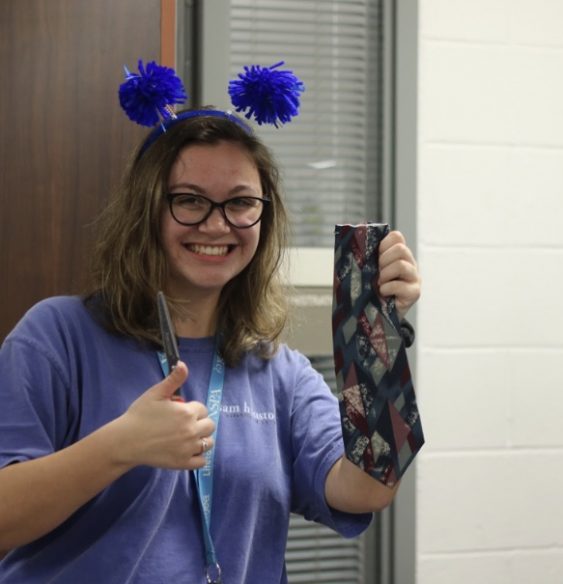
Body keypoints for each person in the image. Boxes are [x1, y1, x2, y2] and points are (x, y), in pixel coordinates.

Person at [0, 78, 421, 580]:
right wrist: (118, 447)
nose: (218, 225)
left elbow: (369, 486)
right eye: (190, 200)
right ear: (146, 211)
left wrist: (375, 334)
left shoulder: (279, 372)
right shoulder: (57, 337)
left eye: (241, 202)